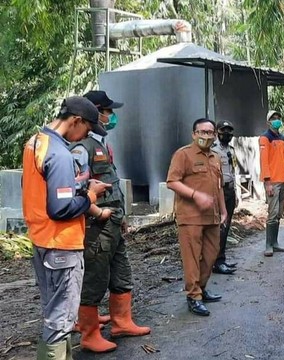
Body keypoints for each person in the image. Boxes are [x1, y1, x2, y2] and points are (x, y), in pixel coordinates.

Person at [22, 96, 111, 359]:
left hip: (42, 241)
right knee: (61, 321)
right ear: (76, 121)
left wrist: (79, 190)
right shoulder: (59, 154)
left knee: (54, 315)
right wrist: (91, 196)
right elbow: (60, 209)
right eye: (87, 129)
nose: (85, 136)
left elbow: (45, 193)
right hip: (61, 244)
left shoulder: (36, 142)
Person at [70, 90, 151, 353]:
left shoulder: (100, 143)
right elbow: (76, 188)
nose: (111, 116)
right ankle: (89, 333)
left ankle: (121, 322)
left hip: (113, 223)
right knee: (94, 278)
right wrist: (97, 212)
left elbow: (112, 184)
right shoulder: (82, 148)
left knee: (121, 272)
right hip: (97, 226)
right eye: (107, 111)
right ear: (95, 112)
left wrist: (121, 216)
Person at [167, 118, 228, 316]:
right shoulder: (183, 155)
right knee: (192, 258)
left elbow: (219, 187)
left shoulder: (216, 157)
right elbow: (172, 182)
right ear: (194, 134)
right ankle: (193, 296)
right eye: (202, 132)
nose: (206, 136)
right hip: (190, 216)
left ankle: (201, 287)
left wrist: (224, 210)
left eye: (210, 133)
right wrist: (195, 195)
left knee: (211, 254)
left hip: (212, 216)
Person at [259, 110, 284, 257]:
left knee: (279, 214)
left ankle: (275, 242)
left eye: (278, 118)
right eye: (273, 118)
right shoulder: (265, 138)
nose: (277, 120)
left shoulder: (283, 139)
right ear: (268, 122)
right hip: (272, 181)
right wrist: (267, 182)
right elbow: (263, 161)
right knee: (272, 214)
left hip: (283, 180)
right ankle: (268, 245)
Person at [211, 120, 238, 275]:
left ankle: (221, 259)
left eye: (229, 131)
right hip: (217, 192)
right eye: (223, 130)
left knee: (226, 227)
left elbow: (233, 172)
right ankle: (215, 262)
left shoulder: (232, 150)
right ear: (217, 132)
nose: (226, 134)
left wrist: (236, 192)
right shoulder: (213, 150)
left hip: (230, 191)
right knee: (218, 228)